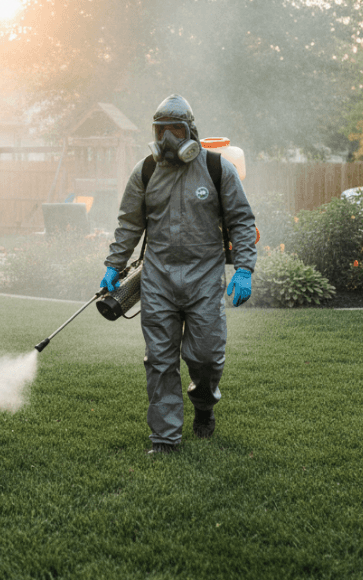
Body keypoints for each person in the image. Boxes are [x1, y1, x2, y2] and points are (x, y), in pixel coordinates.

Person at [100, 94, 257, 454]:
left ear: (191, 132)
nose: (168, 138)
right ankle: (165, 438)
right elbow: (128, 224)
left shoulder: (218, 169)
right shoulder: (146, 171)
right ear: (154, 132)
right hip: (157, 281)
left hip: (204, 278)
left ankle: (204, 407)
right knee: (159, 360)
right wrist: (113, 265)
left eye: (176, 129)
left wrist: (244, 268)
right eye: (161, 130)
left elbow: (242, 221)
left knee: (206, 357)